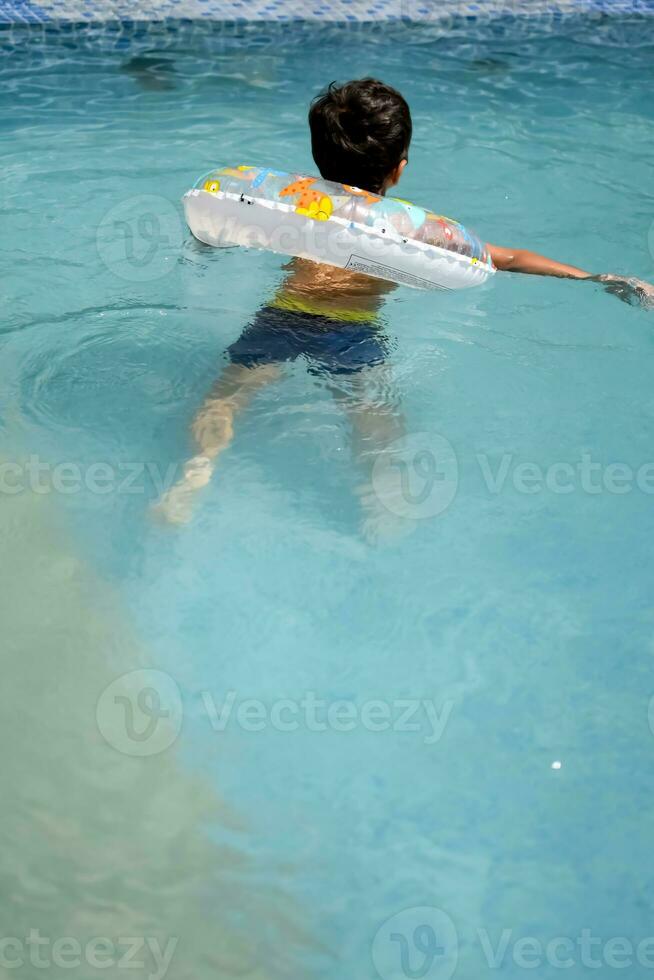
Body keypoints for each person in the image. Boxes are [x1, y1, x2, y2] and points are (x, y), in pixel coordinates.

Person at [154, 78, 652, 528]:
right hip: (353, 332)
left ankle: (196, 473)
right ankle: (378, 498)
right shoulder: (412, 230)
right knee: (376, 423)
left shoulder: (299, 205)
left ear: (318, 159)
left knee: (226, 397)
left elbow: (225, 228)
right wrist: (596, 278)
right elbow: (511, 258)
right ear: (399, 169)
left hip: (285, 314)